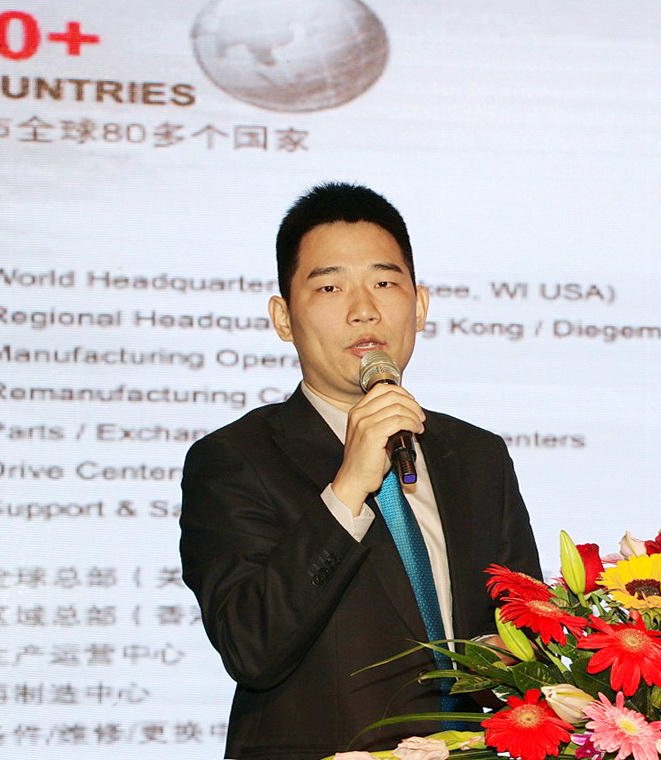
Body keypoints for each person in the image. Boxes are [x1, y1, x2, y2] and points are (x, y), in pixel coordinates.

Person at [180, 182, 542, 760]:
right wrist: (348, 487)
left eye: (384, 283)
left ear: (419, 305)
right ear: (283, 317)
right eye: (329, 286)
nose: (363, 309)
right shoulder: (235, 459)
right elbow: (252, 647)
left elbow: (526, 631)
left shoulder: (478, 457)